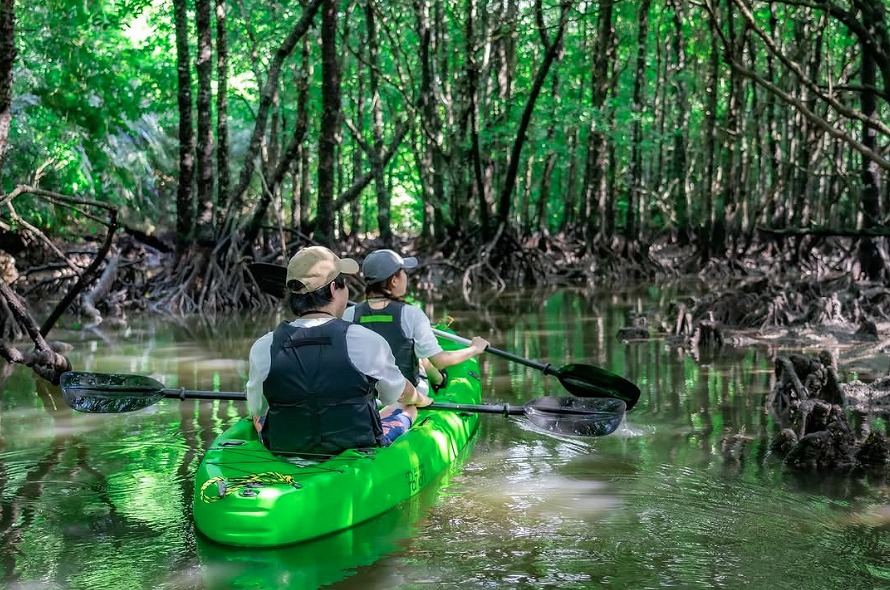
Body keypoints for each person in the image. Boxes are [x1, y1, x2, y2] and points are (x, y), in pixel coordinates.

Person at [245, 246, 433, 456]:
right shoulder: (365, 340)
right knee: (407, 407)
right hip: (355, 447)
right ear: (334, 289)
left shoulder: (263, 346)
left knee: (257, 417)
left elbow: (257, 408)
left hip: (285, 447)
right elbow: (395, 394)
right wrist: (420, 398)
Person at [342, 249, 489, 394]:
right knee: (421, 357)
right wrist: (475, 349)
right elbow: (440, 361)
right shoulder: (411, 314)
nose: (406, 276)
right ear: (394, 280)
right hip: (405, 396)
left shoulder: (349, 314)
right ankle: (439, 380)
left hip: (363, 396)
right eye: (403, 272)